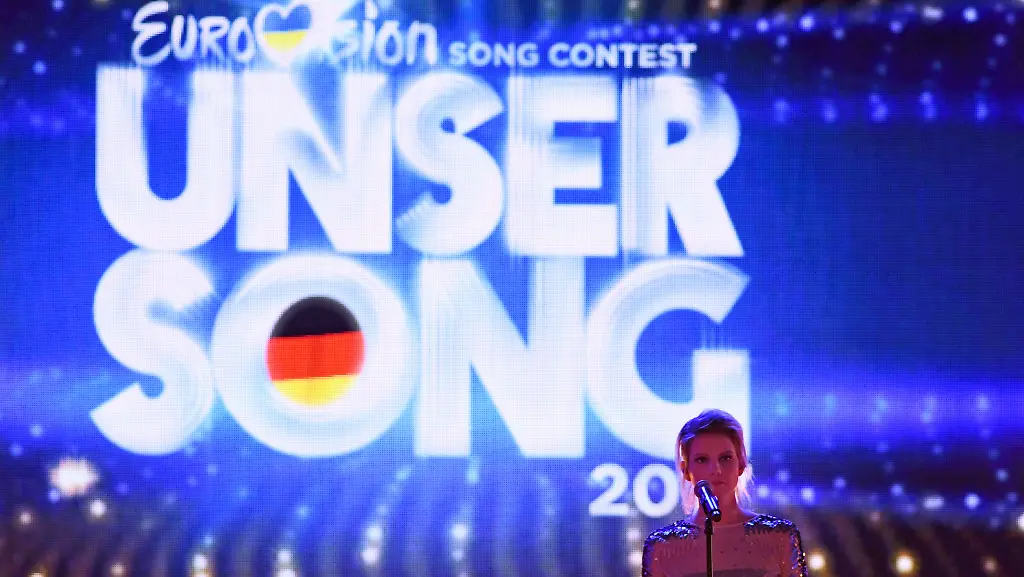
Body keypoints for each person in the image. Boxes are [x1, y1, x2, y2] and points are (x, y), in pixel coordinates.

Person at [642, 409, 808, 577]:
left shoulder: (779, 537)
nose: (716, 469)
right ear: (685, 470)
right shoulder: (662, 547)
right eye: (702, 460)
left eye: (725, 458)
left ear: (741, 464)